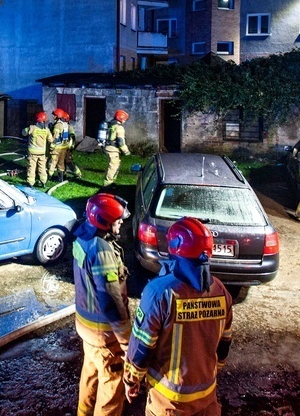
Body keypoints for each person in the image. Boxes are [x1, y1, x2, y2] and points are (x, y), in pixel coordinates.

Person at [124, 217, 233, 416]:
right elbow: (224, 343)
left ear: (174, 248)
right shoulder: (220, 290)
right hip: (207, 398)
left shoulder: (159, 292)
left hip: (169, 402)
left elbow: (142, 346)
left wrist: (131, 379)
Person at [73, 193, 132, 416]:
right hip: (104, 333)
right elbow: (111, 302)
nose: (121, 223)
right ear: (105, 222)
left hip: (86, 327)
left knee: (90, 373)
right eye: (118, 220)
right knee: (111, 385)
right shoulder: (102, 251)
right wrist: (126, 342)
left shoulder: (83, 238)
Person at [23, 111, 53, 188]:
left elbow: (23, 133)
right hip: (42, 153)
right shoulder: (46, 130)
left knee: (31, 167)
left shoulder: (32, 128)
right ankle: (43, 182)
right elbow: (51, 140)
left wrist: (27, 128)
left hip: (32, 152)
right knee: (42, 167)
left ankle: (30, 183)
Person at [103, 109, 131, 187]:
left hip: (109, 148)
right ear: (121, 118)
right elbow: (120, 141)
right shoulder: (119, 128)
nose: (125, 121)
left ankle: (112, 183)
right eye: (124, 119)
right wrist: (126, 151)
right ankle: (107, 185)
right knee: (113, 167)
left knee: (115, 165)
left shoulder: (111, 125)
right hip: (113, 150)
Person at [48, 108, 77, 182]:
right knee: (61, 163)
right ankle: (61, 179)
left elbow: (56, 137)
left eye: (54, 115)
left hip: (57, 148)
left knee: (52, 162)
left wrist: (51, 146)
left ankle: (48, 177)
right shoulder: (65, 125)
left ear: (58, 116)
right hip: (64, 147)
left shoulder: (58, 125)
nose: (53, 117)